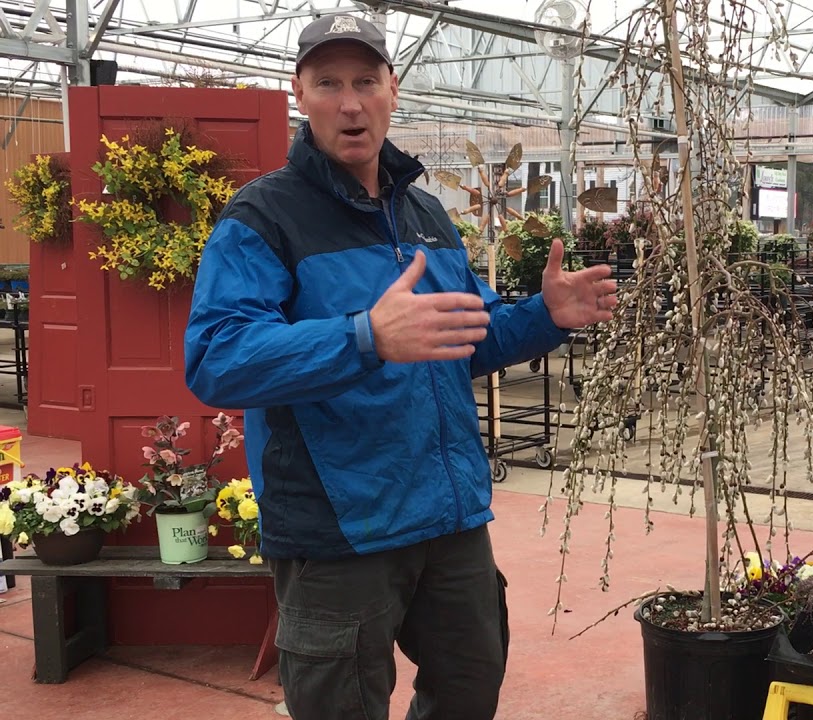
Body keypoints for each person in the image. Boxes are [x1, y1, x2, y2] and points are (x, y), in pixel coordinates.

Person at [183, 14, 617, 720]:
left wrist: (545, 316)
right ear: (300, 93)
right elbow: (217, 358)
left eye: (365, 81)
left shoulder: (425, 214)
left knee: (471, 687)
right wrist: (363, 338)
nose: (350, 103)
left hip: (447, 517)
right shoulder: (263, 218)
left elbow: (466, 337)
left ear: (393, 88)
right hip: (339, 529)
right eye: (329, 83)